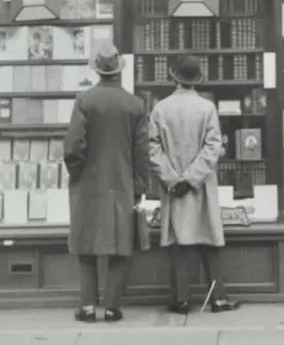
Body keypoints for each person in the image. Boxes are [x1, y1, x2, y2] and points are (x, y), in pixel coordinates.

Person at [63, 44, 149, 324]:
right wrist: (139, 186)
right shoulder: (135, 104)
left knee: (86, 245)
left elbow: (73, 146)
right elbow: (141, 151)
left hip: (88, 182)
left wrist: (77, 173)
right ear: (119, 70)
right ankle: (112, 307)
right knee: (119, 245)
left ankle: (87, 307)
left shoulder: (85, 101)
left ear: (97, 70)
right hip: (122, 183)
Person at [148, 54, 240, 314]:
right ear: (196, 79)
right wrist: (192, 178)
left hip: (173, 187)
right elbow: (214, 146)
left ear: (173, 76)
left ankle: (181, 300)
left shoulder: (160, 108)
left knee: (179, 244)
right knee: (209, 240)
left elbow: (152, 148)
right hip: (200, 185)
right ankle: (218, 298)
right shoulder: (206, 108)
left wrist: (172, 179)